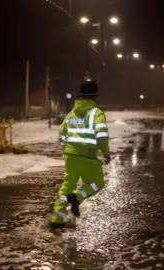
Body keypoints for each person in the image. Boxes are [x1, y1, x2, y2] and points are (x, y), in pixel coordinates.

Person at [50, 81, 111, 229]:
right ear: (95, 96)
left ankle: (57, 218)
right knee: (97, 183)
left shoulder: (71, 113)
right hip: (88, 156)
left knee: (67, 186)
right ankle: (77, 197)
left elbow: (62, 133)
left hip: (70, 156)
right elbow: (101, 135)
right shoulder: (96, 113)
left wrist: (67, 148)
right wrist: (105, 153)